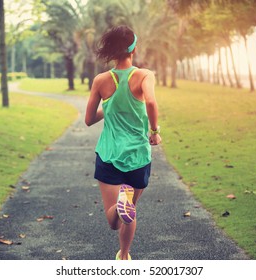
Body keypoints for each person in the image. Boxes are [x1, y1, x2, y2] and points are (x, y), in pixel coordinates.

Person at [85, 25, 162, 260]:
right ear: (134, 49)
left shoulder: (101, 80)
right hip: (138, 155)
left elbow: (89, 120)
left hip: (109, 155)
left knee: (113, 220)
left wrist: (108, 107)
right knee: (130, 210)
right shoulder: (144, 75)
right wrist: (155, 131)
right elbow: (150, 102)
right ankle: (125, 255)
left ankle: (120, 204)